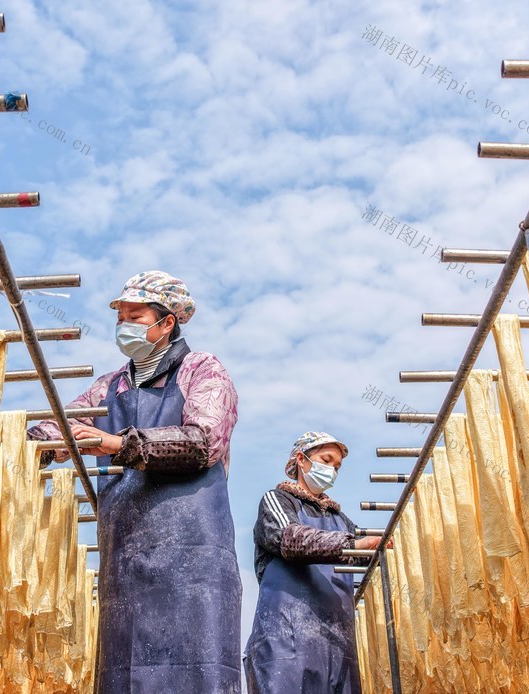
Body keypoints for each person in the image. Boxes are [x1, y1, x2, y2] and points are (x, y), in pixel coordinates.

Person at [28, 270, 242, 693]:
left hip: (193, 558)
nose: (124, 323)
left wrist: (118, 443)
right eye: (119, 315)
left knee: (194, 672)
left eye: (135, 314)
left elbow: (204, 442)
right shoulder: (109, 387)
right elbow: (57, 431)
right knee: (124, 676)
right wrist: (18, 445)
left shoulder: (201, 369)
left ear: (166, 323)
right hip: (125, 561)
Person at [244, 431, 386, 693]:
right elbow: (289, 538)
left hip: (337, 647)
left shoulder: (341, 520)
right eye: (326, 460)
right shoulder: (278, 501)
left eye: (337, 466)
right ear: (301, 459)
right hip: (286, 643)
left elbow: (368, 553)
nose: (332, 470)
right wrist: (353, 544)